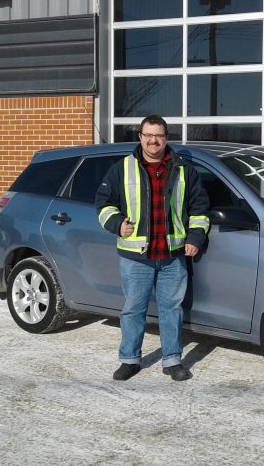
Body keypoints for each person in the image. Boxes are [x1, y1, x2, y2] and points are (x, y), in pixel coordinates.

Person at [95, 115, 210, 381]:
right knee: (133, 309)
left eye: (158, 135)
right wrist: (115, 222)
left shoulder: (184, 170)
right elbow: (103, 203)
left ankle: (172, 361)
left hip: (172, 256)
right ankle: (130, 359)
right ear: (140, 137)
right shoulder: (121, 168)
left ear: (166, 138)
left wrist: (194, 238)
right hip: (136, 257)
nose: (153, 140)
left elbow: (199, 208)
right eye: (148, 135)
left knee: (172, 310)